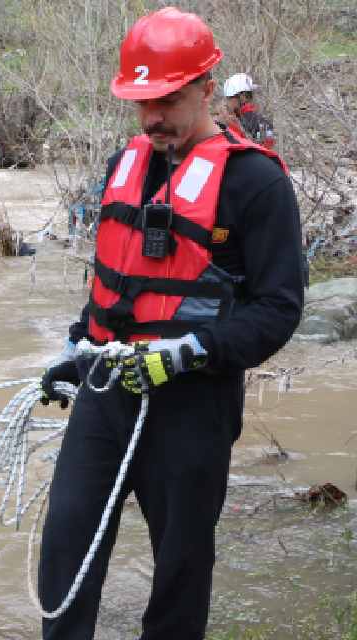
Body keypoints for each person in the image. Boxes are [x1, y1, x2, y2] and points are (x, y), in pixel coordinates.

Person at [36, 8, 304, 639]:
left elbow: (279, 308)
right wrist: (79, 350)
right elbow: (117, 283)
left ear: (207, 88)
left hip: (192, 405)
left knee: (181, 566)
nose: (153, 116)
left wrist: (193, 353)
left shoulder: (256, 182)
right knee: (66, 549)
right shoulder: (121, 165)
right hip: (106, 394)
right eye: (141, 102)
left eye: (168, 99)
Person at [220, 72, 275, 149]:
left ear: (242, 97)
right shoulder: (259, 119)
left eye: (229, 98)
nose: (227, 102)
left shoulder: (248, 120)